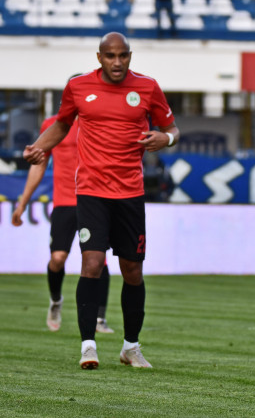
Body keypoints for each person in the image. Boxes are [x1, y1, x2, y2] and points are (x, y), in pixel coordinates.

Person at [23, 32, 180, 369]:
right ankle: (88, 346)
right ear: (99, 57)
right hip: (92, 191)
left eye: (123, 55)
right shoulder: (78, 87)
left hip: (131, 193)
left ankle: (131, 347)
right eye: (110, 56)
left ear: (130, 56)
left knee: (132, 271)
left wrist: (165, 138)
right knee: (91, 264)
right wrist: (40, 146)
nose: (117, 62)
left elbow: (173, 128)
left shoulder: (148, 87)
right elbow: (62, 124)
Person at [12, 112, 114, 334]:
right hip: (64, 202)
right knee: (57, 258)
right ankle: (56, 301)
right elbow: (38, 165)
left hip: (94, 201)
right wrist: (23, 203)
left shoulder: (100, 120)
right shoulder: (53, 125)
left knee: (98, 260)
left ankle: (99, 318)